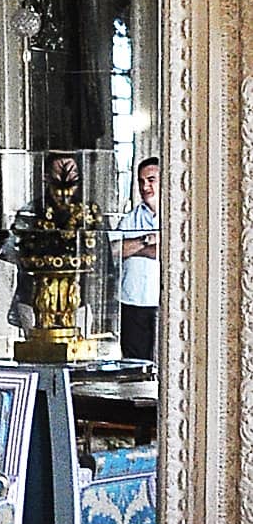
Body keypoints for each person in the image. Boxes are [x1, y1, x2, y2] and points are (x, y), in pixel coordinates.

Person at [113, 154, 159, 366]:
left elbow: (166, 253)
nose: (145, 186)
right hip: (133, 302)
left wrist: (134, 247)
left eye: (151, 180)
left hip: (160, 302)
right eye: (141, 181)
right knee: (135, 363)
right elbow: (115, 250)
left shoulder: (176, 214)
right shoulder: (130, 218)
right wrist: (147, 240)